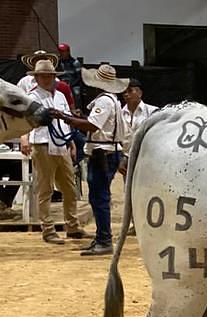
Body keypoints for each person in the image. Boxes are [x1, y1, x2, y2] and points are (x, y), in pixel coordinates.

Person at [54, 64, 129, 256]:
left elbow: (92, 126)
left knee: (99, 197)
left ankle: (104, 239)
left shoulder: (104, 101)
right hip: (107, 152)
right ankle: (101, 237)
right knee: (98, 196)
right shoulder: (112, 100)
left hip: (102, 152)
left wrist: (65, 117)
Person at [18, 60, 87, 244]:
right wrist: (24, 138)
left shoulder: (61, 97)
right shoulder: (32, 97)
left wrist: (71, 142)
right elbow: (24, 121)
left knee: (69, 188)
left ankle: (72, 226)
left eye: (50, 75)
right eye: (43, 75)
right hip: (41, 144)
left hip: (61, 143)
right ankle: (48, 230)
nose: (47, 78)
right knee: (45, 188)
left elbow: (65, 122)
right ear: (36, 77)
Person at [57, 43, 82, 110]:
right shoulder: (58, 63)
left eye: (63, 51)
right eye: (60, 51)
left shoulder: (75, 62)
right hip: (61, 83)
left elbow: (79, 76)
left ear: (68, 52)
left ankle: (77, 109)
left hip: (73, 84)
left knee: (76, 93)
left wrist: (71, 84)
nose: (61, 53)